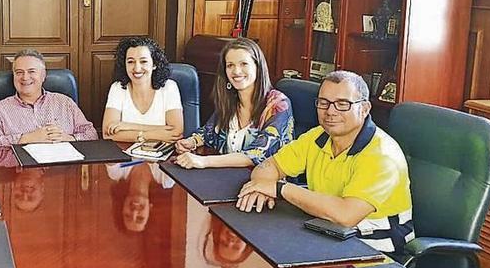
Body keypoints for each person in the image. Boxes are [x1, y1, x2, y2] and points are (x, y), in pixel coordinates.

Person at [236, 70, 414, 255]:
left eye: (342, 104)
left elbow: (346, 215)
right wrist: (261, 189)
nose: (330, 111)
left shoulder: (382, 155)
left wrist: (279, 188)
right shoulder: (318, 136)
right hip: (328, 229)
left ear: (365, 108)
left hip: (377, 248)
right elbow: (268, 167)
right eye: (324, 103)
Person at [175, 37, 294, 169]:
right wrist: (192, 142)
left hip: (263, 184)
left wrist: (204, 162)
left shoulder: (278, 104)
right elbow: (208, 132)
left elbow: (258, 153)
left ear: (258, 66)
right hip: (226, 178)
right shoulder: (230, 99)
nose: (236, 71)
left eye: (244, 64)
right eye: (230, 65)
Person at [0, 49, 97, 147]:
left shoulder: (64, 102)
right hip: (19, 172)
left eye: (31, 71)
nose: (25, 77)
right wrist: (25, 138)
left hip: (63, 169)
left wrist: (70, 138)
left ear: (43, 75)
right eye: (19, 72)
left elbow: (91, 134)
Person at [102, 36, 183, 143]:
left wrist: (127, 126)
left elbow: (176, 132)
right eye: (131, 62)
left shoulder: (169, 87)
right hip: (125, 154)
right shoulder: (118, 88)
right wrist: (151, 134)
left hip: (161, 154)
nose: (137, 68)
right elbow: (107, 133)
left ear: (154, 64)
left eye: (143, 61)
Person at [107, 162, 175, 232]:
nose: (134, 212)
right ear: (150, 211)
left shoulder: (117, 172)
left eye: (127, 216)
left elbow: (109, 151)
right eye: (140, 218)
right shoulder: (166, 178)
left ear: (122, 208)